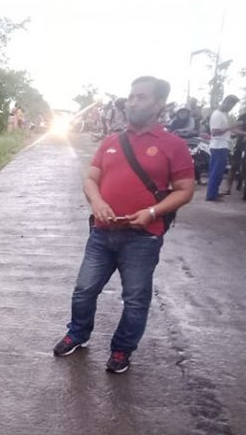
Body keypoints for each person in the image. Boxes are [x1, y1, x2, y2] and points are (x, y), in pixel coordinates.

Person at [53, 76, 195, 374]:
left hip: (143, 237)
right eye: (131, 97)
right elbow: (91, 179)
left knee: (135, 299)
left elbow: (185, 190)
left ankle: (121, 350)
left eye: (141, 97)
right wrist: (98, 203)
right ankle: (78, 333)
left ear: (159, 105)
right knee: (83, 290)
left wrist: (152, 211)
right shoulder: (112, 141)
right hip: (102, 233)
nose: (132, 102)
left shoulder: (173, 145)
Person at [206, 95, 240, 201]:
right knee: (216, 172)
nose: (231, 108)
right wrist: (231, 127)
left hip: (222, 145)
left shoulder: (222, 114)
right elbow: (215, 132)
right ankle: (211, 195)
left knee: (219, 172)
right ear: (226, 102)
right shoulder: (217, 115)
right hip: (218, 146)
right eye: (231, 105)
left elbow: (223, 131)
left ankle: (214, 193)